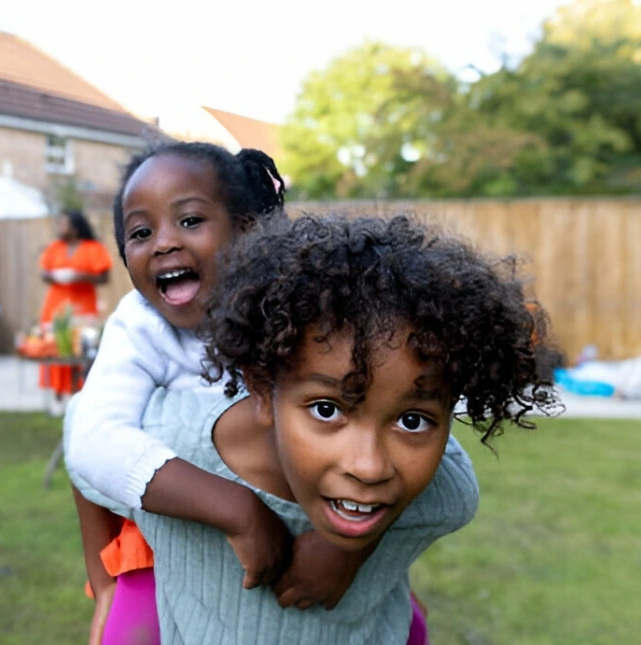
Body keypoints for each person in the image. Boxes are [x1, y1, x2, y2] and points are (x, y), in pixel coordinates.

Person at [69, 214, 561, 644]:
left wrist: (353, 546)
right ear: (262, 388)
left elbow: (459, 492)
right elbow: (85, 442)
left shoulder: (438, 488)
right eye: (327, 409)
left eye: (412, 420)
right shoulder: (171, 444)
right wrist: (107, 584)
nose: (368, 467)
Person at [66, 142, 402, 645]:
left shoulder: (304, 313)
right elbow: (91, 442)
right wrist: (237, 511)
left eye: (190, 221)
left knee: (402, 627)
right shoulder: (140, 327)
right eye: (140, 232)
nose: (162, 243)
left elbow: (408, 442)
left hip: (321, 534)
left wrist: (351, 549)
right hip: (173, 546)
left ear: (247, 232)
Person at [37, 210, 113, 412]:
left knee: (79, 350)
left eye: (63, 224)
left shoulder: (93, 248)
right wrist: (55, 276)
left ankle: (80, 395)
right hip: (56, 306)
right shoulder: (54, 248)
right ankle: (57, 396)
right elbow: (44, 274)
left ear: (76, 227)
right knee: (55, 349)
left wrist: (80, 276)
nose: (59, 228)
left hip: (83, 307)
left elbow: (104, 278)